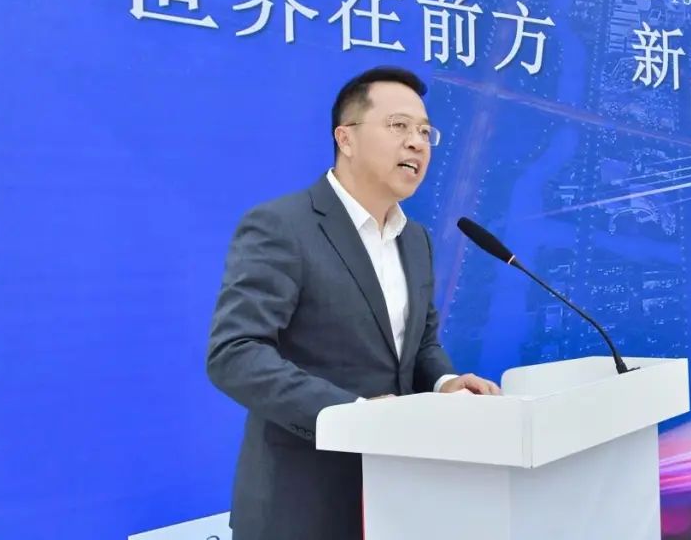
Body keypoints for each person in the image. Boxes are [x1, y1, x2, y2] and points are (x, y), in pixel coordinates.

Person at [206, 65, 500, 540]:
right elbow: (235, 354)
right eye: (399, 126)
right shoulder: (283, 226)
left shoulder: (416, 240)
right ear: (345, 138)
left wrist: (445, 382)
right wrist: (353, 414)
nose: (417, 143)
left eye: (425, 132)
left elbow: (418, 345)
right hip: (301, 505)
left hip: (397, 498)